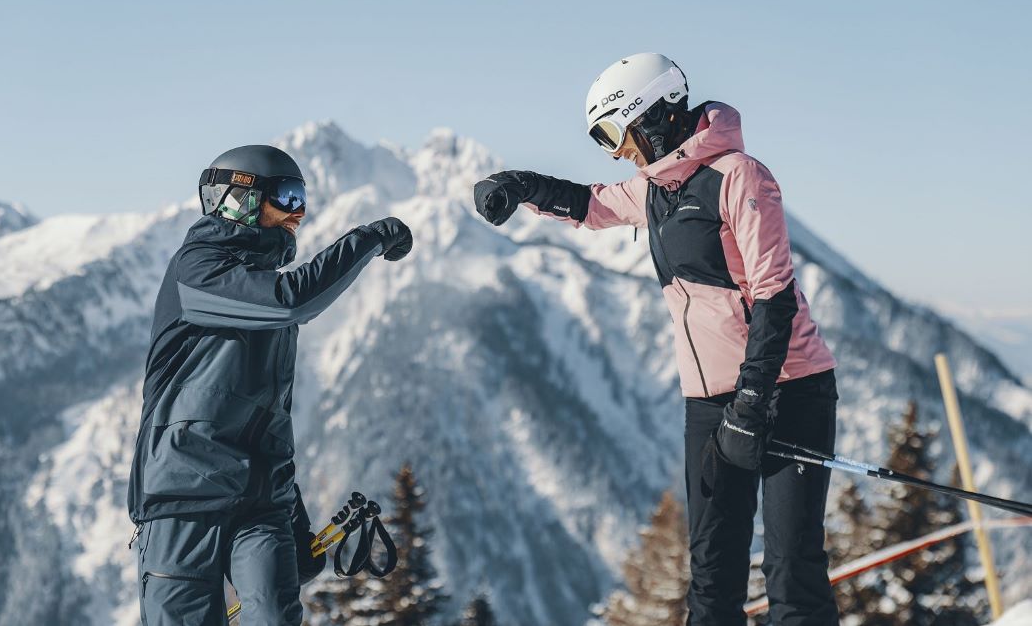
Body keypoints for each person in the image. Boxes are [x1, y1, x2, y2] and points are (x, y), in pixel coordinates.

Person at [473, 53, 839, 626]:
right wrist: (518, 185)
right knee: (713, 572)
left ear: (653, 115)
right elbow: (590, 204)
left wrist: (751, 402)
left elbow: (774, 294)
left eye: (615, 133)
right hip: (708, 400)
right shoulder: (656, 190)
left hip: (788, 390)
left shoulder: (740, 175)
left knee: (793, 573)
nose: (615, 150)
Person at [127, 144, 412, 626]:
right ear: (239, 199)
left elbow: (266, 416)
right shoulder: (197, 271)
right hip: (184, 499)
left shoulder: (259, 295)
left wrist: (294, 516)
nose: (298, 211)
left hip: (261, 502)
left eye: (302, 196)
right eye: (286, 194)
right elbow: (290, 301)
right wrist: (369, 238)